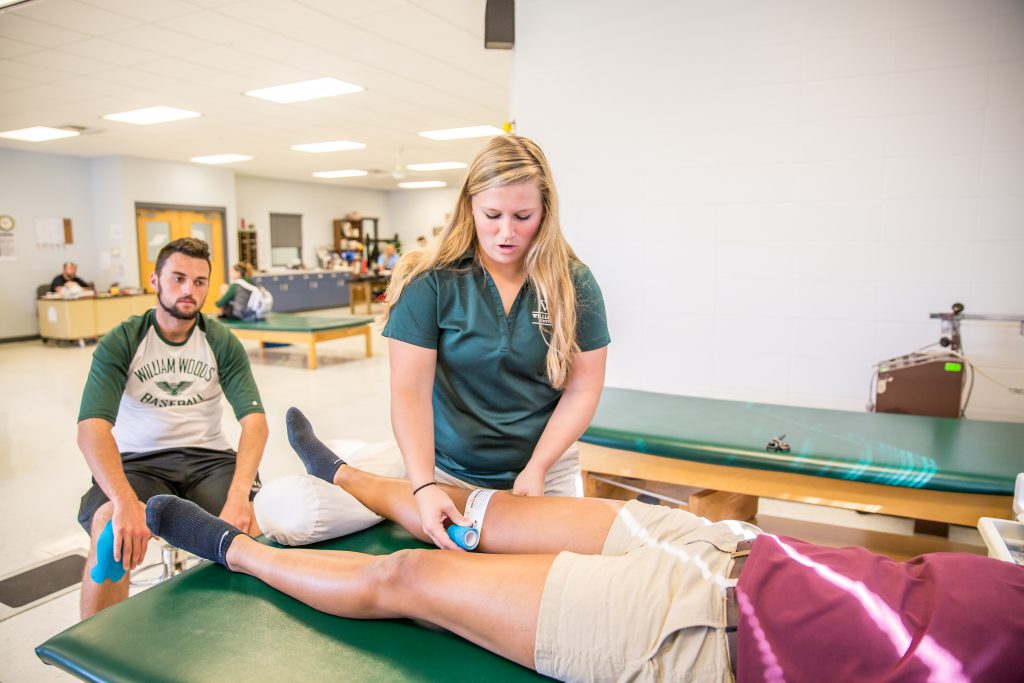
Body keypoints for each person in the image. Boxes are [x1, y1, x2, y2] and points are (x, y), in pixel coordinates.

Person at [147, 414, 1024, 682]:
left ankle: (232, 548)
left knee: (413, 573)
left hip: (712, 637)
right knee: (475, 512)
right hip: (744, 548)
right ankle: (340, 472)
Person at [255, 135, 610, 551]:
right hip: (440, 467)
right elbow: (409, 391)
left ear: (546, 212)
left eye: (523, 216)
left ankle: (349, 471)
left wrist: (537, 467)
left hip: (537, 475)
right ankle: (339, 470)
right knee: (287, 512)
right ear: (469, 206)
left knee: (559, 572)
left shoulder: (573, 283)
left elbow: (585, 385)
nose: (506, 232)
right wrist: (423, 486)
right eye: (492, 214)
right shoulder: (431, 280)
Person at [76, 237, 268, 619]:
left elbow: (255, 423)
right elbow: (91, 430)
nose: (188, 290)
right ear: (155, 280)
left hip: (209, 460)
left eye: (199, 282)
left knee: (256, 522)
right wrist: (125, 502)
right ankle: (98, 652)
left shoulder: (219, 340)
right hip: (139, 463)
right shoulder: (124, 341)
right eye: (178, 278)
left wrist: (238, 497)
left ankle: (251, 637)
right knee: (110, 528)